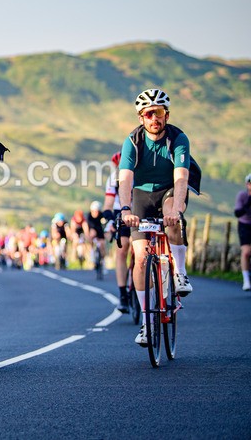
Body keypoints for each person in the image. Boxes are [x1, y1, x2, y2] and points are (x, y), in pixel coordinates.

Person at [118, 88, 195, 347]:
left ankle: (180, 273)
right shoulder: (132, 141)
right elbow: (126, 179)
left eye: (159, 113)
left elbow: (182, 176)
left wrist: (176, 209)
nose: (155, 118)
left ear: (167, 115)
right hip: (141, 195)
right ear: (141, 117)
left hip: (169, 190)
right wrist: (125, 209)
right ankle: (146, 322)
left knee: (174, 218)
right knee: (140, 258)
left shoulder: (178, 138)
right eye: (149, 113)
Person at [104, 151, 132, 312]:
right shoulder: (113, 179)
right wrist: (109, 218)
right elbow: (108, 204)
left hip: (139, 211)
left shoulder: (140, 174)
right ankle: (123, 294)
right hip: (120, 212)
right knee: (122, 249)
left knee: (139, 248)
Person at [235, 173, 251, 291]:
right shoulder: (243, 195)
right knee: (246, 252)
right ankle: (246, 280)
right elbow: (238, 213)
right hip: (244, 225)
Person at [83, 201, 106, 274]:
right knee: (91, 239)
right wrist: (87, 234)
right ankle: (92, 255)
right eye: (93, 211)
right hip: (91, 231)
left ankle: (102, 261)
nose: (95, 213)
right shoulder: (88, 216)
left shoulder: (102, 215)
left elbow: (104, 224)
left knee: (102, 245)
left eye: (96, 211)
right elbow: (85, 225)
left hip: (99, 231)